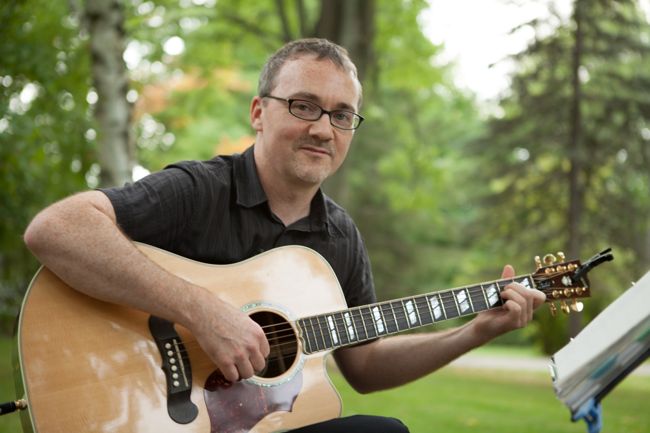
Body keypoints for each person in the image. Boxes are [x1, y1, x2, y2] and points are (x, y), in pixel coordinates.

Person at [24, 38, 545, 432]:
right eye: (304, 105)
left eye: (342, 116)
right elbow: (57, 229)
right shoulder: (200, 189)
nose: (323, 128)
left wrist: (474, 332)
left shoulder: (340, 236)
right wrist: (201, 310)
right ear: (258, 112)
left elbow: (363, 365)